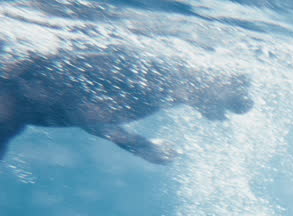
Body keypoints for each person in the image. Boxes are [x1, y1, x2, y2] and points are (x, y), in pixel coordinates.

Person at [0, 46, 253, 164]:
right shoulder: (160, 79)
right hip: (30, 90)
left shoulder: (162, 86)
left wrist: (138, 145)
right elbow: (89, 114)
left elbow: (88, 112)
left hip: (33, 93)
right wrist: (139, 146)